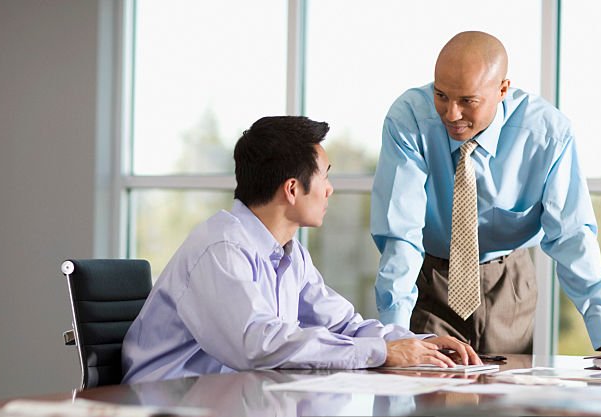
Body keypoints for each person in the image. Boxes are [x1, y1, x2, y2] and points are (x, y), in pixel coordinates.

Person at [122, 116, 479, 385]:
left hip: (225, 404)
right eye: (324, 176)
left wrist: (419, 345)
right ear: (292, 189)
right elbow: (258, 346)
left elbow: (343, 324)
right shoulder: (221, 249)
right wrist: (384, 352)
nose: (330, 190)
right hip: (164, 410)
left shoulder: (289, 254)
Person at [371, 31, 601, 355]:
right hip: (429, 280)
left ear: (503, 89)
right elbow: (401, 235)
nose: (451, 114)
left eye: (467, 101)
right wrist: (397, 332)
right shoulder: (409, 120)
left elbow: (572, 237)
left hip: (509, 282)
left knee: (506, 397)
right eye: (442, 95)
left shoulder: (547, 134)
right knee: (428, 395)